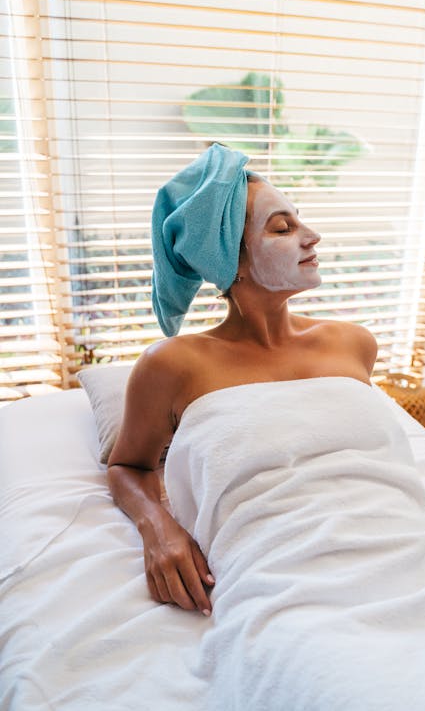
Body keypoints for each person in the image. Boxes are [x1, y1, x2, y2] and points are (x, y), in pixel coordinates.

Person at [107, 143, 378, 618]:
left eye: (300, 220)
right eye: (282, 228)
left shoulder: (354, 344)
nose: (312, 236)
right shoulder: (173, 365)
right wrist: (160, 530)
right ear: (229, 260)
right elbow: (128, 466)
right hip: (284, 573)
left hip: (394, 536)